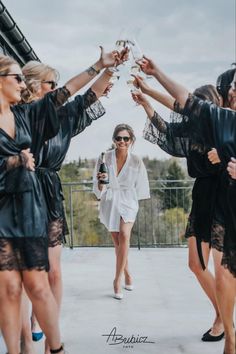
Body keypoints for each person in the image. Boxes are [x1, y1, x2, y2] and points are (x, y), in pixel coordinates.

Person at [20, 47, 125, 354]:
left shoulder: (64, 116)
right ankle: (26, 342)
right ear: (34, 85)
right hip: (21, 190)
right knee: (27, 270)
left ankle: (46, 326)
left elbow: (89, 96)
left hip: (49, 191)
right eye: (52, 83)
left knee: (53, 270)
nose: (56, 88)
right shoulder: (17, 115)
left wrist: (109, 69)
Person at [136, 57, 236, 354]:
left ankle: (225, 324)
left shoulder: (223, 131)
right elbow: (176, 110)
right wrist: (147, 90)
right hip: (204, 197)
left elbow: (184, 102)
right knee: (202, 266)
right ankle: (226, 322)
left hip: (225, 197)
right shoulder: (211, 123)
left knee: (224, 271)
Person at [93, 124, 150, 299]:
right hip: (110, 200)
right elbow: (98, 187)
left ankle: (117, 280)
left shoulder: (136, 161)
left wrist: (135, 201)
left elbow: (140, 186)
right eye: (119, 138)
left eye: (126, 138)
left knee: (125, 235)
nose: (122, 141)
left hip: (128, 200)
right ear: (114, 140)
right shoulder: (104, 158)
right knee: (118, 243)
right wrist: (101, 182)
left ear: (131, 140)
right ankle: (127, 273)